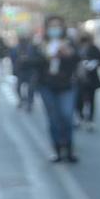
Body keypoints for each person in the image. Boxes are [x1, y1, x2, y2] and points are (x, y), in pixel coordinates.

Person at [38, 16, 82, 163]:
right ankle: (57, 149)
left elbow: (78, 59)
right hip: (47, 86)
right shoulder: (40, 44)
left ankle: (69, 149)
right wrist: (44, 56)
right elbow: (30, 62)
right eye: (52, 26)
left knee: (66, 116)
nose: (55, 29)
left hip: (66, 86)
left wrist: (68, 54)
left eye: (57, 26)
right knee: (53, 119)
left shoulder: (69, 43)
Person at [75, 28, 100, 129]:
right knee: (79, 99)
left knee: (91, 100)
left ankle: (90, 119)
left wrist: (93, 63)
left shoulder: (94, 48)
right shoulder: (76, 48)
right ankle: (80, 117)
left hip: (91, 78)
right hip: (79, 78)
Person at [12, 32, 43, 113]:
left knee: (31, 88)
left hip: (31, 70)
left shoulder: (33, 48)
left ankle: (30, 102)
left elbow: (38, 59)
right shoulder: (16, 48)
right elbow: (13, 59)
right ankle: (21, 100)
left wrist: (28, 60)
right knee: (18, 88)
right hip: (21, 71)